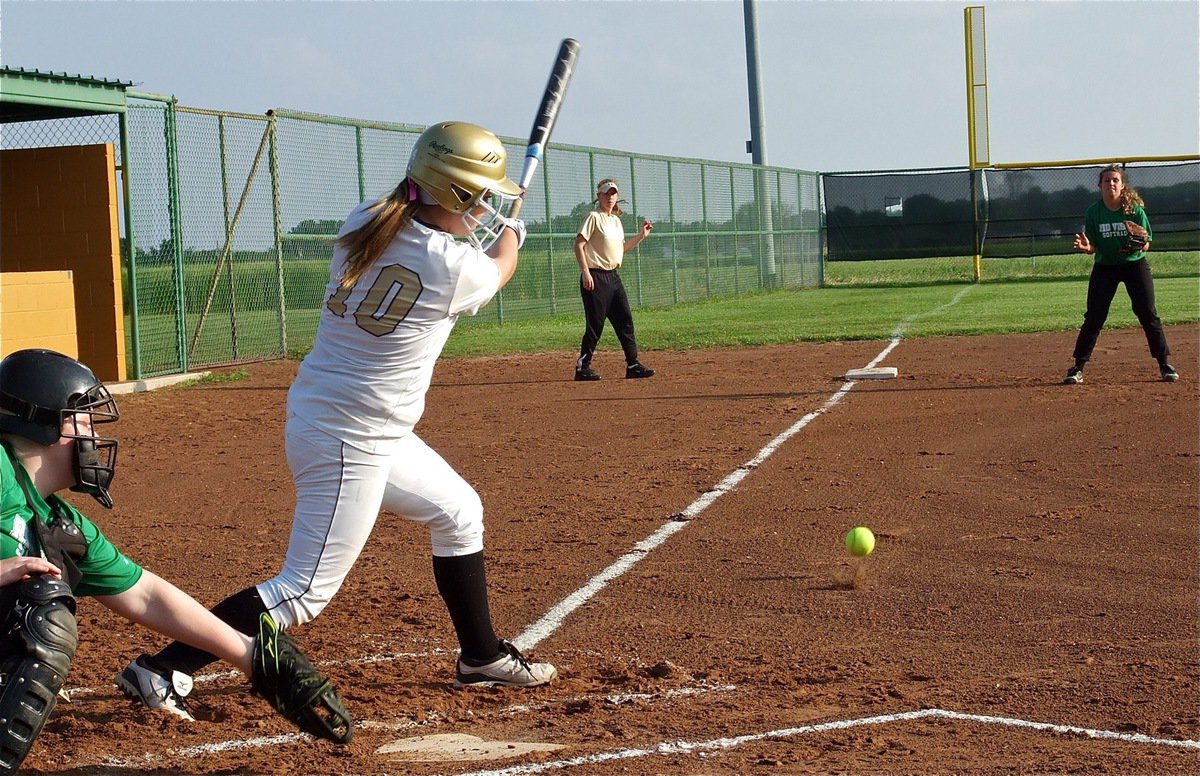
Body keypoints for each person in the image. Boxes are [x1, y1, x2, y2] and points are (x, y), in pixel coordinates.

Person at [117, 121, 556, 723]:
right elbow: (498, 268)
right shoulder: (455, 267)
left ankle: (480, 657)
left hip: (349, 420)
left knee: (459, 512)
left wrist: (493, 223)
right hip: (352, 436)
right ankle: (162, 668)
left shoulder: (364, 221)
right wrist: (512, 234)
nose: (486, 209)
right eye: (479, 198)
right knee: (302, 591)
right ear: (453, 196)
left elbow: (448, 245)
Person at [0, 349, 350, 772]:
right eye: (84, 419)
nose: (94, 436)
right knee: (39, 610)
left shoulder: (57, 524)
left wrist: (253, 658)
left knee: (37, 598)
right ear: (46, 425)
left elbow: (147, 594)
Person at [1064, 164, 1178, 385]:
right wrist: (1088, 248)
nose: (1111, 184)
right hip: (1105, 267)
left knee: (1147, 313)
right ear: (1100, 185)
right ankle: (1077, 367)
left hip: (1134, 265)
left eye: (1115, 180)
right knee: (1094, 317)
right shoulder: (1094, 212)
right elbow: (1093, 247)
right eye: (1107, 181)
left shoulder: (1134, 211)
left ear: (1122, 185)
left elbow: (1147, 244)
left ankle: (1164, 364)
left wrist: (1140, 245)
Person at [573, 178, 656, 381]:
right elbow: (579, 245)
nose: (610, 197)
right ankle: (583, 367)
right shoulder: (593, 217)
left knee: (625, 320)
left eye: (613, 193)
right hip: (595, 276)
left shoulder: (616, 221)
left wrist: (641, 236)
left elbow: (621, 250)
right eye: (606, 193)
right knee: (596, 324)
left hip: (613, 277)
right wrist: (585, 272)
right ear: (599, 196)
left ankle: (633, 364)